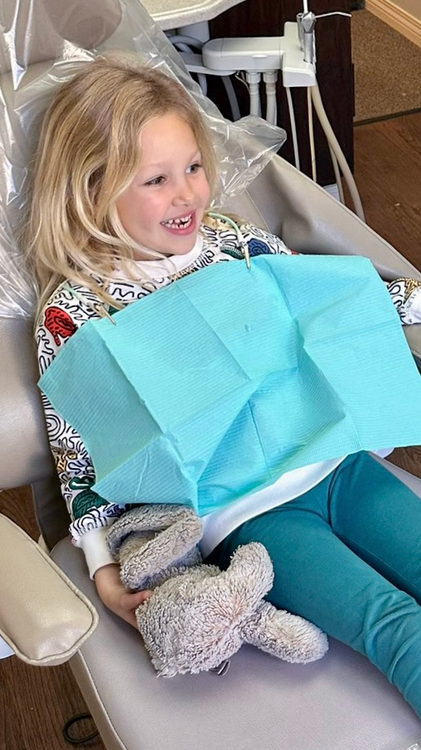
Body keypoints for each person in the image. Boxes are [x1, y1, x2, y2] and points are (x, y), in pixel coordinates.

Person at [26, 55, 421, 717]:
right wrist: (103, 571)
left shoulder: (235, 244)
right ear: (91, 188)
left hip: (337, 464)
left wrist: (413, 302)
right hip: (247, 516)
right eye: (156, 179)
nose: (187, 194)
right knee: (392, 623)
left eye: (193, 167)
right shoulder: (76, 314)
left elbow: (330, 305)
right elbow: (81, 457)